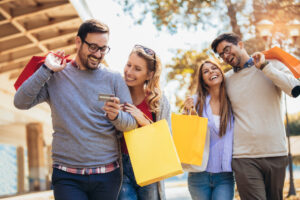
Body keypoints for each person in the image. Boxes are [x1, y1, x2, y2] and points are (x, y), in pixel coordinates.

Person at [14, 19, 137, 200]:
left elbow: (130, 124)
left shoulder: (114, 79)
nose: (98, 54)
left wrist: (116, 116)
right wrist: (46, 69)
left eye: (103, 49)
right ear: (78, 42)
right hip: (66, 176)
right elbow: (20, 102)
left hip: (107, 176)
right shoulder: (55, 75)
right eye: (93, 47)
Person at [211, 33, 300, 200]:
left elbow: (294, 88)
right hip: (243, 157)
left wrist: (265, 67)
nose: (225, 56)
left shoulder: (271, 64)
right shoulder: (227, 80)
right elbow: (215, 108)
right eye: (221, 54)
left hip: (276, 152)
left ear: (241, 44)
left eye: (227, 49)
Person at [116, 44, 171, 200]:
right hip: (121, 167)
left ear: (149, 74)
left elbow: (167, 140)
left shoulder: (158, 102)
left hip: (149, 165)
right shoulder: (115, 95)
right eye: (128, 65)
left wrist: (143, 120)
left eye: (137, 69)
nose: (129, 72)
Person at [183, 60, 234, 200]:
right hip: (198, 175)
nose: (211, 71)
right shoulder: (195, 101)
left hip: (225, 175)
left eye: (214, 68)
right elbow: (186, 133)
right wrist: (187, 112)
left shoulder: (232, 102)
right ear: (203, 81)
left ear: (221, 72)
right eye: (206, 71)